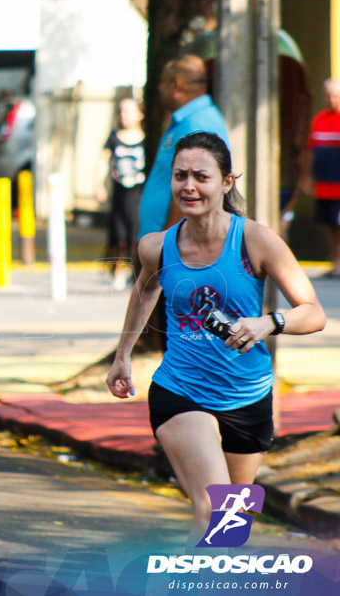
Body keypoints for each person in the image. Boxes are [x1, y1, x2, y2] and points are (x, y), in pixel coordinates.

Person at [106, 131, 325, 543]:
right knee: (211, 509)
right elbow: (144, 292)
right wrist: (123, 354)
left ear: (226, 182)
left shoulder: (255, 240)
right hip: (180, 392)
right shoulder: (157, 246)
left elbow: (314, 314)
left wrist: (268, 322)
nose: (189, 186)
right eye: (180, 176)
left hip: (249, 396)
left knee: (230, 527)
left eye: (201, 177)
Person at [138, 55, 229, 241]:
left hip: (169, 247)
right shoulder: (186, 120)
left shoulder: (198, 123)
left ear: (175, 85)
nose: (159, 89)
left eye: (162, 83)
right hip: (157, 242)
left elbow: (191, 189)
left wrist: (169, 245)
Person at [98, 98, 146, 290]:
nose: (124, 115)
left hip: (139, 192)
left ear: (139, 114)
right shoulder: (114, 137)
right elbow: (103, 160)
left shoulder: (145, 138)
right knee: (118, 232)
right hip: (119, 191)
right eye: (122, 111)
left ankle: (136, 270)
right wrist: (99, 185)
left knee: (136, 230)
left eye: (129, 111)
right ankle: (116, 270)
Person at [300, 78, 340, 277]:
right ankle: (336, 262)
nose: (332, 100)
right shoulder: (319, 119)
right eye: (329, 95)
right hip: (324, 185)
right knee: (329, 226)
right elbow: (311, 151)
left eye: (336, 96)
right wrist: (307, 177)